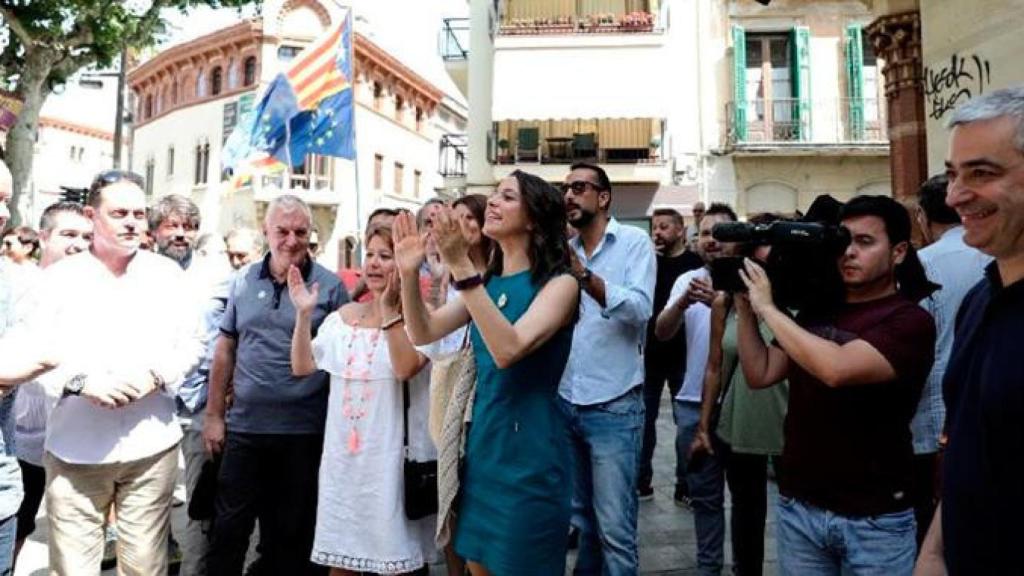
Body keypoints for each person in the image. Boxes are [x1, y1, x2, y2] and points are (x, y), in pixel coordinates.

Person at [4, 169, 203, 575]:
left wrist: (156, 375)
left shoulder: (165, 275)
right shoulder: (57, 280)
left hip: (150, 447)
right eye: (119, 213)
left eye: (138, 213)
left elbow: (192, 344)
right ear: (93, 217)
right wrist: (81, 383)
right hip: (75, 452)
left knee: (145, 568)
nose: (132, 221)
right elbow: (30, 358)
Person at [737, 195, 936, 576]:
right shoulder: (817, 311)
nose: (849, 252)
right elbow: (760, 372)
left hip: (875, 518)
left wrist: (768, 308)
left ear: (898, 251)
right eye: (843, 241)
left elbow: (836, 369)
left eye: (865, 242)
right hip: (801, 507)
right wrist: (746, 309)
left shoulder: (909, 321)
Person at [395, 170, 579, 576]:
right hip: (484, 449)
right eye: (494, 194)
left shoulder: (560, 285)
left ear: (533, 219)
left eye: (508, 196)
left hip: (531, 454)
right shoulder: (489, 283)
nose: (492, 201)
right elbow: (423, 331)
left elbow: (507, 350)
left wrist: (461, 264)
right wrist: (408, 273)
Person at [204, 195, 347, 576]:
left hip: (304, 433)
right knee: (227, 533)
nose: (291, 240)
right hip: (246, 430)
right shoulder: (242, 281)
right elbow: (224, 351)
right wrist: (214, 416)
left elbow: (342, 364)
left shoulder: (330, 288)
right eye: (282, 231)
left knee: (290, 538)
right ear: (266, 232)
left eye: (300, 231)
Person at [916, 85, 1024, 576]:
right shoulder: (980, 298)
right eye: (953, 174)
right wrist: (934, 551)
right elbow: (966, 445)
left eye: (982, 173)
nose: (956, 195)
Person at [289, 224, 435, 574]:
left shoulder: (423, 316)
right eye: (369, 254)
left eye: (385, 256)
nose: (373, 263)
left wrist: (389, 311)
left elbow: (405, 368)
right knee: (341, 562)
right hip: (344, 463)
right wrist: (303, 314)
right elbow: (302, 365)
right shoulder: (343, 318)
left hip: (391, 463)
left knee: (394, 563)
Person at [560, 162, 655, 574]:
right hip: (567, 402)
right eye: (565, 189)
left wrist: (583, 276)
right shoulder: (564, 249)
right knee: (583, 522)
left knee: (615, 530)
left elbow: (639, 309)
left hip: (614, 406)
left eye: (579, 187)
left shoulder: (633, 242)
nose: (569, 196)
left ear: (603, 198)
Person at [688, 214, 789, 576]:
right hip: (740, 423)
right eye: (759, 258)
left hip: (791, 425)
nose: (766, 265)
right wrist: (703, 425)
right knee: (746, 515)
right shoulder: (726, 302)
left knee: (797, 516)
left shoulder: (802, 300)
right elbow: (715, 366)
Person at [655, 203, 739, 575]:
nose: (713, 241)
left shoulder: (752, 280)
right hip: (692, 403)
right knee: (704, 497)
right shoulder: (686, 280)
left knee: (747, 496)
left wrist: (726, 303)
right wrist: (683, 301)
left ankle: (745, 565)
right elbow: (662, 331)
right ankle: (710, 568)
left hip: (740, 402)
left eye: (721, 234)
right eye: (706, 233)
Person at [909, 174, 990, 547]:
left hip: (930, 421)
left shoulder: (919, 265)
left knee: (931, 531)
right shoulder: (994, 256)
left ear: (923, 217)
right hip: (987, 418)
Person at [11, 202, 93, 566]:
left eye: (86, 237)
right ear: (43, 237)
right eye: (68, 235)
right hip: (21, 438)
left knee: (74, 537)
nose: (78, 244)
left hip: (77, 437)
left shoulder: (97, 291)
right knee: (19, 522)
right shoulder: (20, 288)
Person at [638, 208, 703, 502]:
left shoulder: (694, 264)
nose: (657, 233)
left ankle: (685, 485)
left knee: (685, 425)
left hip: (683, 355)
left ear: (680, 230)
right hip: (650, 354)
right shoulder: (647, 263)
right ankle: (641, 481)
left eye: (664, 227)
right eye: (655, 227)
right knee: (644, 422)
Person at [150, 194, 201, 269]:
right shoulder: (142, 272)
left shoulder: (212, 274)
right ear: (154, 231)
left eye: (188, 227)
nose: (180, 234)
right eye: (172, 226)